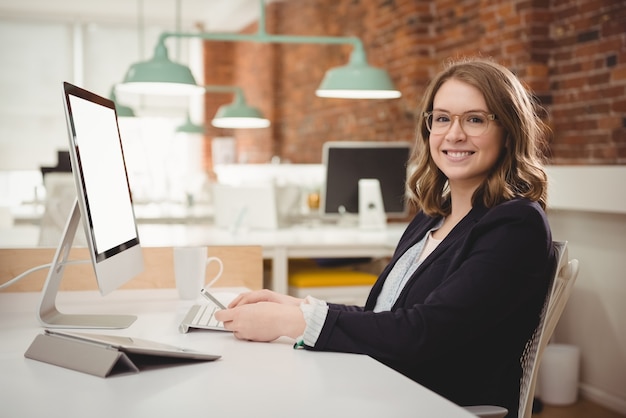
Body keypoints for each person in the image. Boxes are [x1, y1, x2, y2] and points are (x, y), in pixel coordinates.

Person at [215, 57, 556, 417]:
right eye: (442, 118)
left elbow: (426, 333)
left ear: (508, 131)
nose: (454, 134)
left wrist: (291, 323)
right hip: (383, 383)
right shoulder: (431, 217)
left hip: (431, 403)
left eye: (475, 119)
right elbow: (387, 317)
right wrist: (296, 307)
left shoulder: (515, 225)